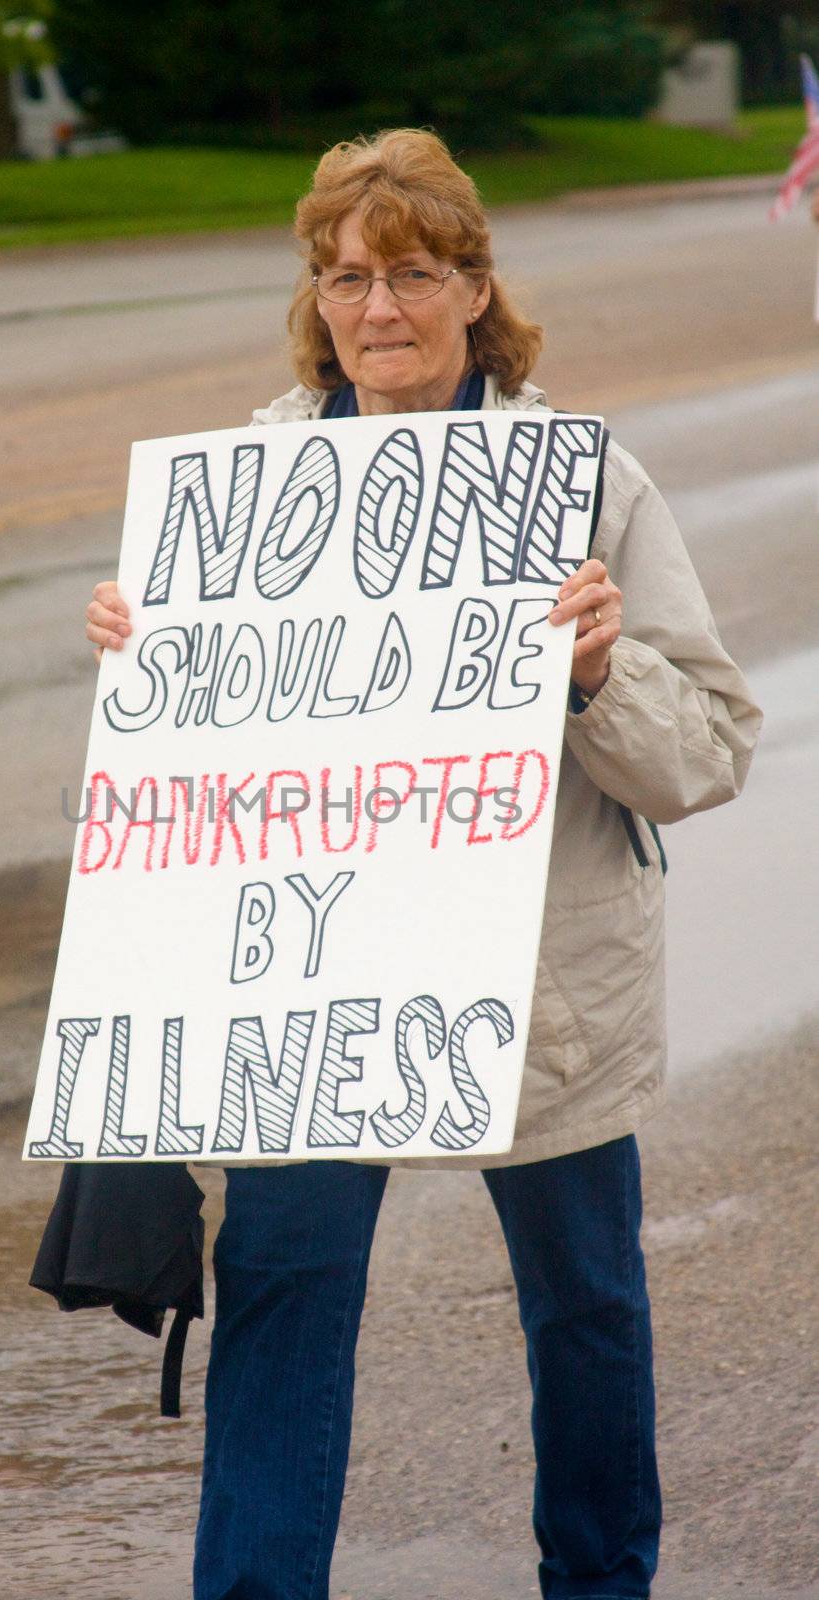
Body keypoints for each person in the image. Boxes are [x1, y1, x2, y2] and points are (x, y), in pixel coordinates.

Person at [83, 130, 762, 1600]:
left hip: (541, 986)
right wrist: (154, 672)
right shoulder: (249, 490)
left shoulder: (579, 484)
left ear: (473, 289)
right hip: (317, 988)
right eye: (343, 277)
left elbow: (708, 749)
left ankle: (599, 1578)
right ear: (314, 299)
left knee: (584, 1304)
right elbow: (201, 792)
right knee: (279, 1288)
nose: (374, 308)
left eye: (408, 273)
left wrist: (595, 674)